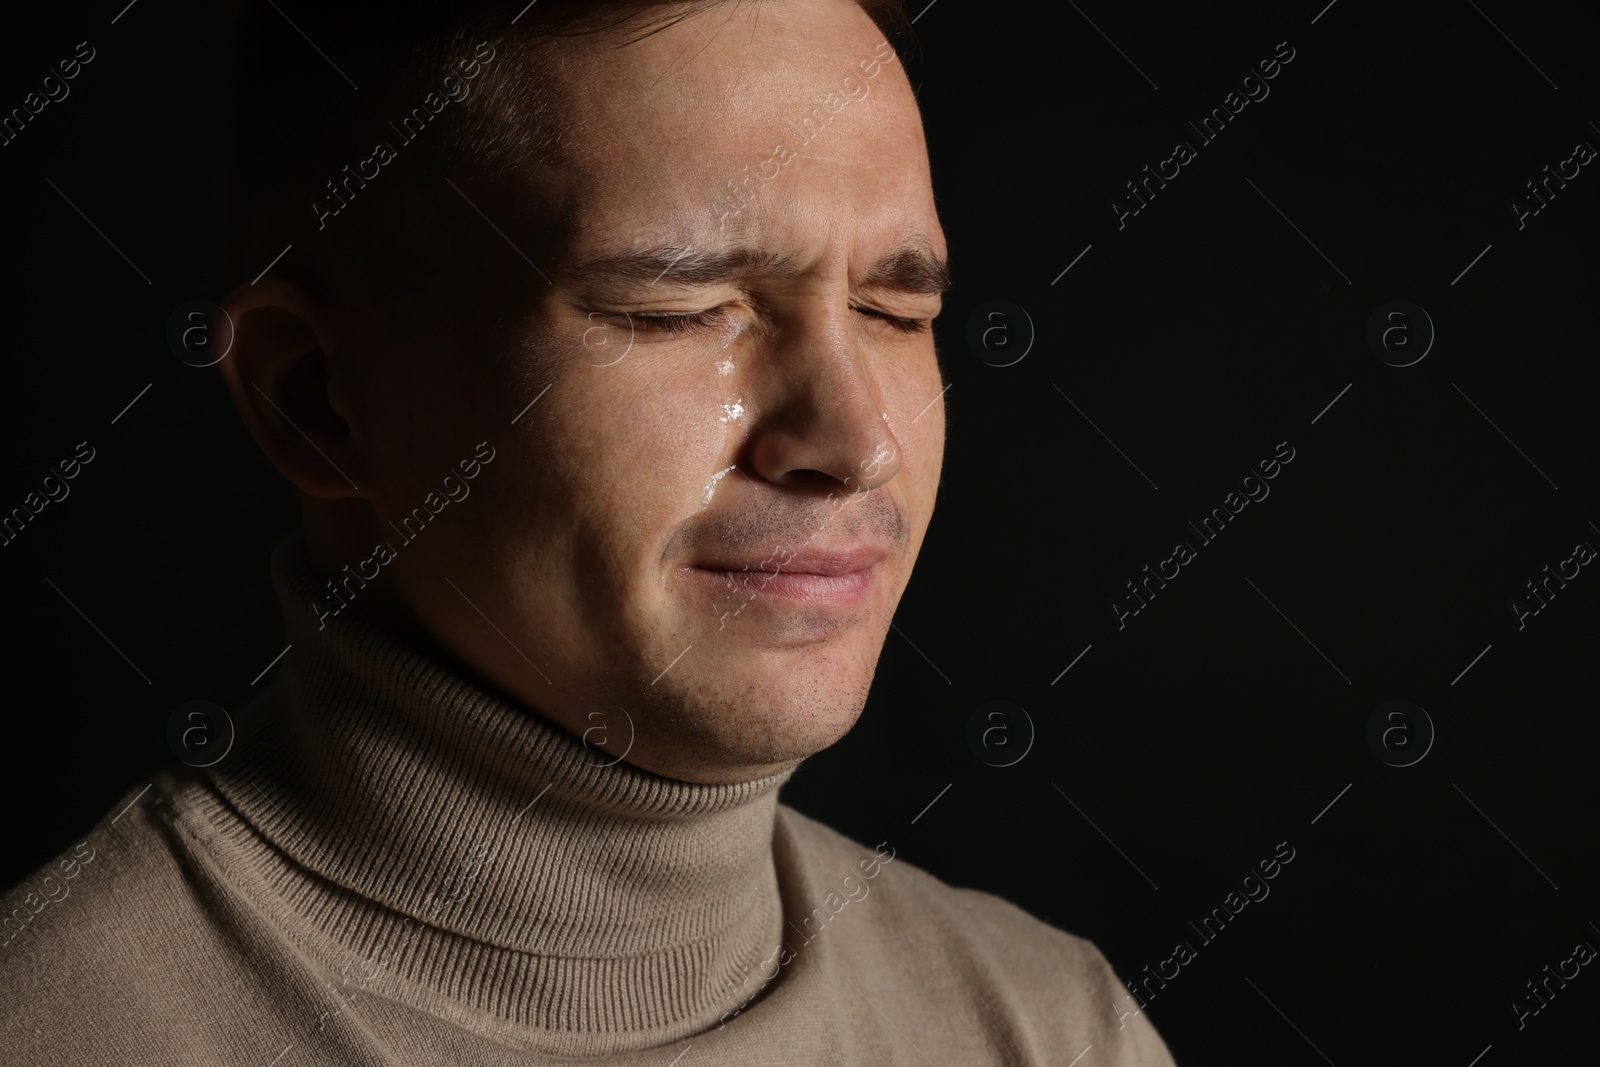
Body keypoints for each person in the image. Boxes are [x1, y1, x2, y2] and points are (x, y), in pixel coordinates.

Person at [0, 1, 1178, 1062]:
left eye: (892, 308)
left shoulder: (1050, 1029)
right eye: (675, 310)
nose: (853, 437)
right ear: (314, 396)